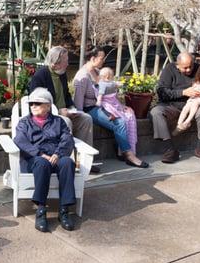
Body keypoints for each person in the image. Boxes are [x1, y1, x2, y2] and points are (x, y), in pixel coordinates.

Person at [13, 87, 77, 233]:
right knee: (42, 164)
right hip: (34, 161)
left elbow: (67, 138)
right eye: (31, 103)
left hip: (55, 158)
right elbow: (20, 140)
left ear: (48, 106)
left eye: (37, 103)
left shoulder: (59, 122)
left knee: (67, 162)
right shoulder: (24, 123)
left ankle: (64, 210)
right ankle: (41, 210)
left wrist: (58, 154)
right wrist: (40, 154)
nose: (33, 106)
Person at [73, 47, 148, 168]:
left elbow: (108, 94)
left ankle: (122, 149)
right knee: (119, 122)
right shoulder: (82, 77)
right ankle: (129, 155)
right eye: (102, 58)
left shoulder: (97, 72)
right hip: (91, 109)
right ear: (93, 58)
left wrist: (120, 106)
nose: (104, 61)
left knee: (128, 114)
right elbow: (78, 103)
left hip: (105, 105)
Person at [28, 45, 99, 173]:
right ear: (55, 63)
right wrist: (58, 111)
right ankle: (67, 162)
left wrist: (72, 108)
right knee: (66, 122)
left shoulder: (61, 74)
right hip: (49, 117)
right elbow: (36, 104)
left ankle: (83, 161)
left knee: (86, 119)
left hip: (64, 112)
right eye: (65, 61)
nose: (68, 64)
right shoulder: (41, 75)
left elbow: (66, 95)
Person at [149, 52, 200, 163]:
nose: (189, 69)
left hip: (195, 105)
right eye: (185, 68)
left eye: (191, 66)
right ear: (177, 65)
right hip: (172, 106)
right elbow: (161, 92)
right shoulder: (169, 69)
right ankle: (170, 150)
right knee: (156, 112)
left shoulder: (199, 68)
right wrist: (183, 92)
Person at [95, 67, 139, 155]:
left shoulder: (110, 83)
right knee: (121, 121)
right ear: (107, 76)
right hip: (108, 105)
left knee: (129, 116)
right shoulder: (102, 84)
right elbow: (100, 94)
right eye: (111, 76)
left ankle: (128, 148)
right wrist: (99, 101)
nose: (112, 77)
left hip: (115, 104)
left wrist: (123, 84)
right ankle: (124, 151)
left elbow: (117, 85)